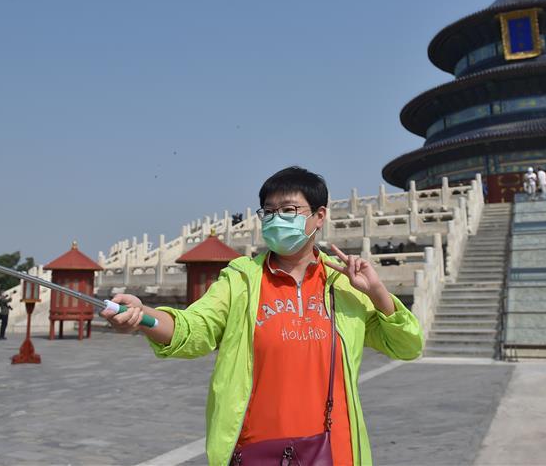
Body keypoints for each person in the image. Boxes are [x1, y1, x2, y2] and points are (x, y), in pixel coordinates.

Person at [102, 166, 423, 466]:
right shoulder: (241, 280)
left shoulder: (343, 285)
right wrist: (143, 315)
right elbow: (192, 327)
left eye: (288, 210)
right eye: (268, 211)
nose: (275, 219)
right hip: (257, 450)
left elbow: (407, 346)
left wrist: (378, 293)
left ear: (319, 215)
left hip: (336, 451)